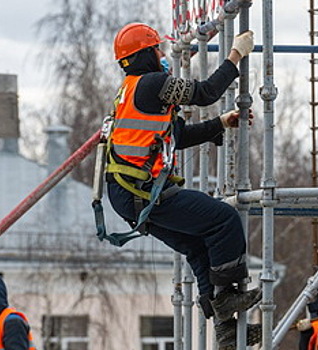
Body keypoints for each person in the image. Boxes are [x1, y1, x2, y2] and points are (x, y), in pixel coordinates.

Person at [105, 22, 259, 348]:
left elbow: (176, 136)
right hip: (140, 192)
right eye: (157, 50)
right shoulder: (153, 84)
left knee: (197, 245)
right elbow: (205, 93)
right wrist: (235, 56)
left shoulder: (134, 91)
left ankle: (226, 331)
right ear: (145, 55)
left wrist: (219, 123)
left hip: (126, 193)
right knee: (223, 220)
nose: (162, 55)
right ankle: (226, 300)